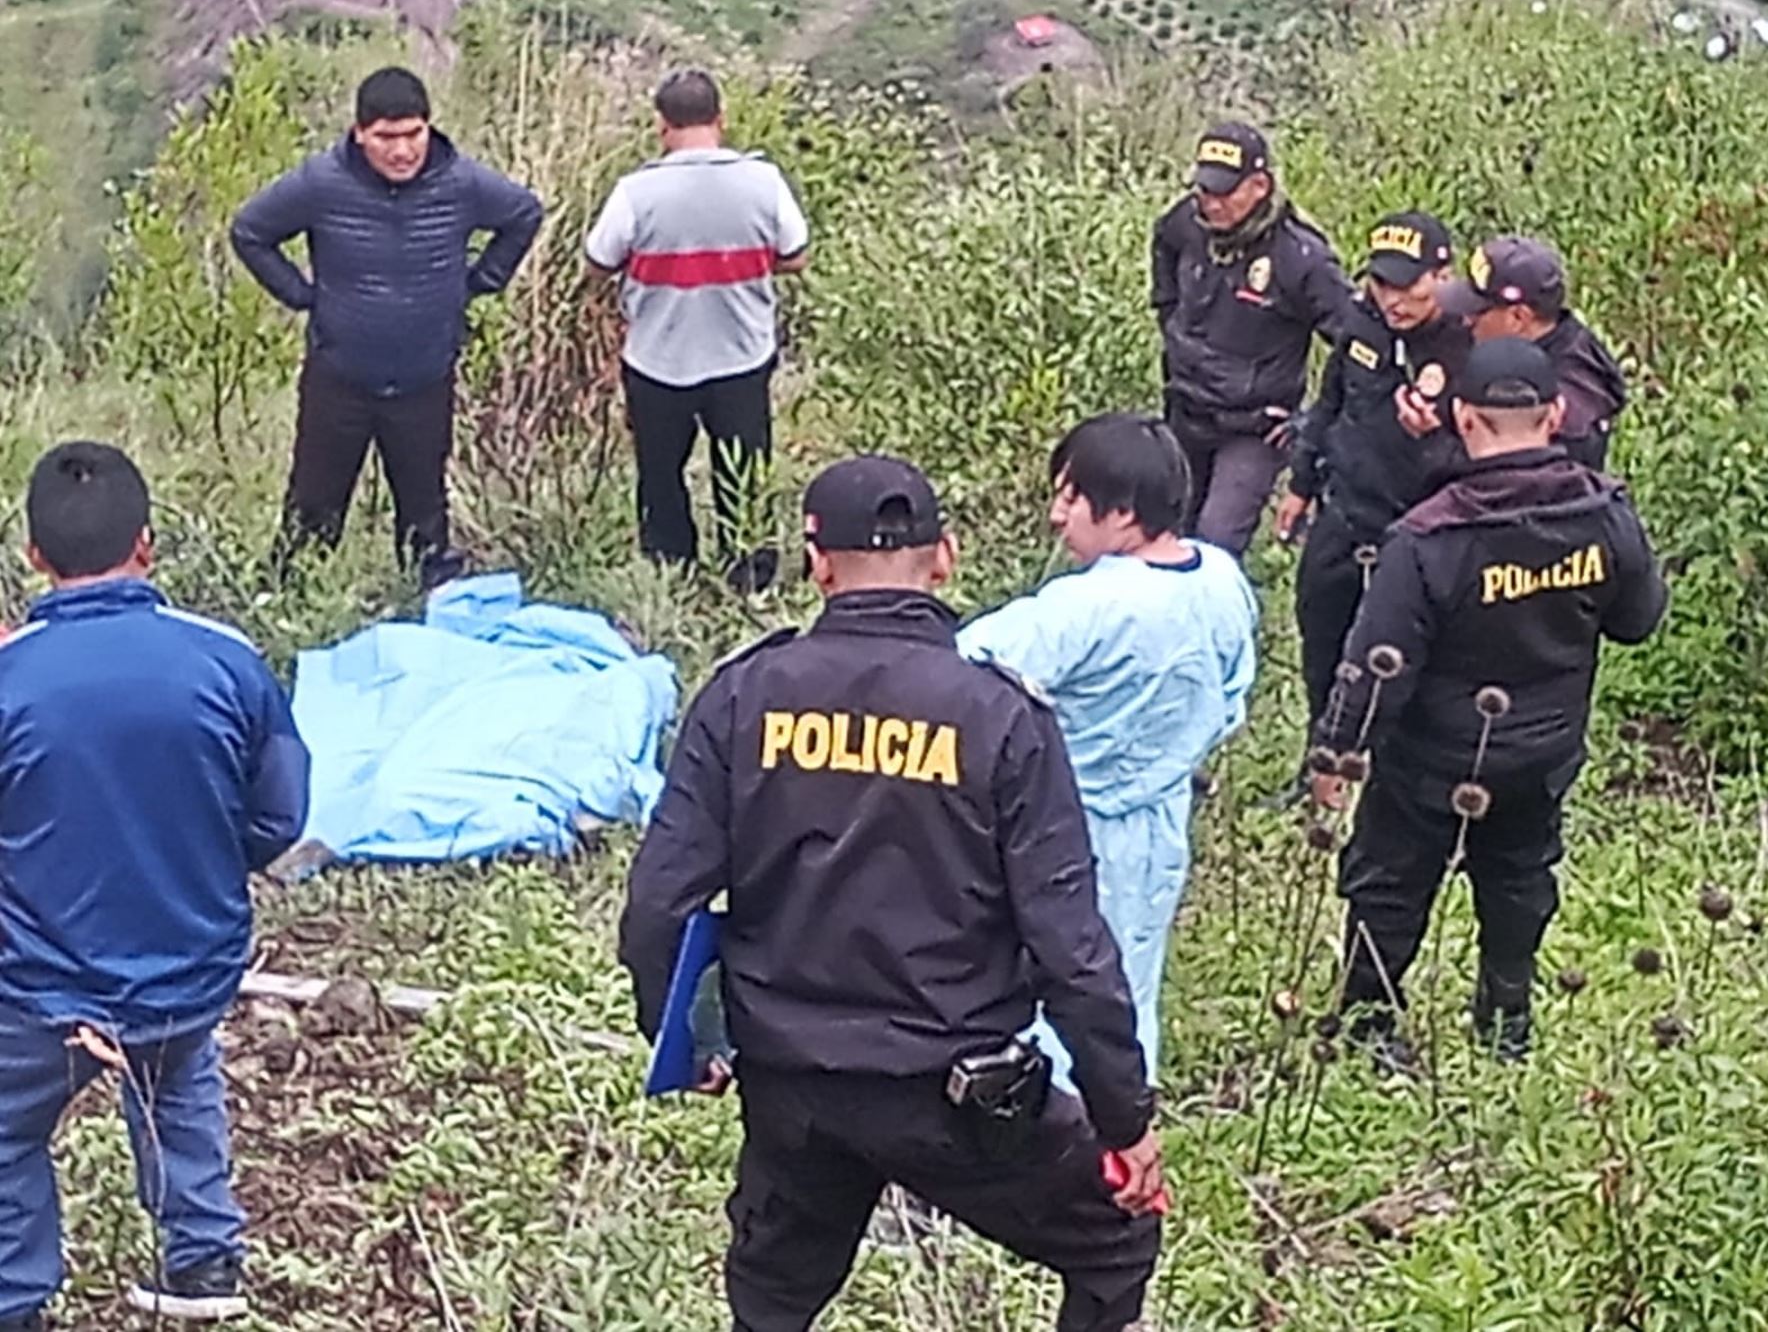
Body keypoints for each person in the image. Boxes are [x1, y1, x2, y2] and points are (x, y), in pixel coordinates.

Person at [619, 455, 1163, 1332]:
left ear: (817, 563)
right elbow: (1071, 947)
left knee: (771, 1298)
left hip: (790, 1087)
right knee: (1114, 1243)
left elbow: (658, 905)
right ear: (944, 558)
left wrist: (686, 1040)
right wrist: (1123, 1117)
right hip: (957, 1095)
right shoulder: (1002, 717)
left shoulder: (743, 697)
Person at [0, 443, 311, 1329]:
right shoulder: (227, 661)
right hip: (188, 970)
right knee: (177, 1083)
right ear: (148, 544)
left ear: (33, 556)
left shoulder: (9, 678)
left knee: (6, 1131)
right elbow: (278, 820)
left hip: (37, 992)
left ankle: (17, 1298)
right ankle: (203, 1262)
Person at [1310, 340, 1666, 1066]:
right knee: (1520, 878)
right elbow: (1638, 620)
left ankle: (1370, 1025)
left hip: (1430, 759)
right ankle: (1506, 1022)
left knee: (1390, 883)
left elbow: (1379, 663)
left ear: (1463, 419)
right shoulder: (1604, 514)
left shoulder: (1427, 537)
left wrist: (1338, 752)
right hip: (1542, 751)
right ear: (1557, 415)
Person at [959, 414, 1257, 1083]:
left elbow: (964, 672)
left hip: (1061, 828)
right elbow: (1232, 698)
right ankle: (1123, 1119)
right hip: (1159, 826)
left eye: (1071, 497)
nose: (1057, 515)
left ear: (1122, 513)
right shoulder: (1219, 579)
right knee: (1127, 983)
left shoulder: (1086, 607)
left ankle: (1049, 1130)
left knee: (1047, 988)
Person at [232, 66, 544, 591]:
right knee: (313, 510)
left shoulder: (461, 182)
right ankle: (285, 603)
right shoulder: (321, 181)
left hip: (424, 379)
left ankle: (428, 613)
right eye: (386, 137)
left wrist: (479, 282)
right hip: (340, 378)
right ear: (360, 133)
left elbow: (524, 213)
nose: (402, 150)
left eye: (412, 134)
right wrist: (303, 296)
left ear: (428, 127)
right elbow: (250, 231)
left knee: (424, 517)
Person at [586, 68, 810, 595]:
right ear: (721, 121)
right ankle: (750, 578)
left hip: (657, 359)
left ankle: (673, 577)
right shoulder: (764, 181)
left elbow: (598, 261)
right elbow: (795, 254)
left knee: (661, 476)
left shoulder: (635, 192)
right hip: (741, 355)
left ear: (661, 126)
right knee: (744, 473)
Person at [1280, 211, 1471, 742]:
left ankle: (1388, 763)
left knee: (1405, 659)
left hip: (1419, 531)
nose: (1394, 300)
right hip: (1345, 512)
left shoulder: (1466, 345)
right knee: (1323, 641)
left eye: (1407, 285)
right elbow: (1330, 402)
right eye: (1382, 283)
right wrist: (1300, 484)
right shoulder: (1362, 324)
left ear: (1442, 275)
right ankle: (1322, 763)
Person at [1151, 120, 1352, 554]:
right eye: (1204, 188)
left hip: (1255, 426)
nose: (1210, 202)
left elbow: (1357, 344)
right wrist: (1174, 332)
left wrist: (1311, 422)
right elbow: (1164, 260)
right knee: (1163, 535)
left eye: (1224, 191)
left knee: (1215, 541)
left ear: (1259, 185)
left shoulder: (1301, 258)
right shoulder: (1185, 222)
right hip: (1186, 409)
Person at [1429, 235, 1626, 470]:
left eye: (1477, 312)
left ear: (1518, 317)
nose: (1466, 320)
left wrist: (1432, 437)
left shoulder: (1572, 398)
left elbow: (1507, 475)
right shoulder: (1506, 344)